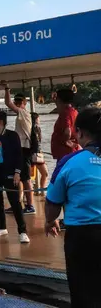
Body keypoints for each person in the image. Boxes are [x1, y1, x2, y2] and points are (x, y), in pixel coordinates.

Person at [45, 107, 101, 307]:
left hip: (82, 237)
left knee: (83, 291)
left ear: (80, 133)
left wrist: (50, 221)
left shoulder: (69, 162)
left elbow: (52, 204)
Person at [0, 111, 30, 243]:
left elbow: (18, 155)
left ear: (1, 122)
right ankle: (2, 227)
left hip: (10, 173)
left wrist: (17, 172)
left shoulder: (12, 136)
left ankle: (22, 231)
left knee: (15, 202)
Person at [2, 84, 35, 214]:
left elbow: (7, 103)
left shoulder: (23, 113)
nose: (17, 103)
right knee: (20, 177)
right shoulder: (22, 115)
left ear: (24, 103)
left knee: (26, 178)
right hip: (20, 148)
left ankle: (30, 205)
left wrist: (7, 89)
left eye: (19, 101)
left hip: (24, 149)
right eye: (17, 101)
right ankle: (18, 204)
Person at [51, 89, 80, 230]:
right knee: (71, 187)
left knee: (63, 187)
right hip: (72, 155)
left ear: (60, 100)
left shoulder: (65, 114)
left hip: (65, 156)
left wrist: (64, 141)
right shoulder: (74, 112)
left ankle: (67, 219)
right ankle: (71, 217)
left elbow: (67, 131)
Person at [31, 113, 49, 196]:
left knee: (43, 173)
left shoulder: (36, 128)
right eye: (38, 118)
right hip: (34, 154)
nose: (40, 119)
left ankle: (41, 191)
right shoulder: (34, 128)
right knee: (44, 173)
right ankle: (40, 191)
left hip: (36, 153)